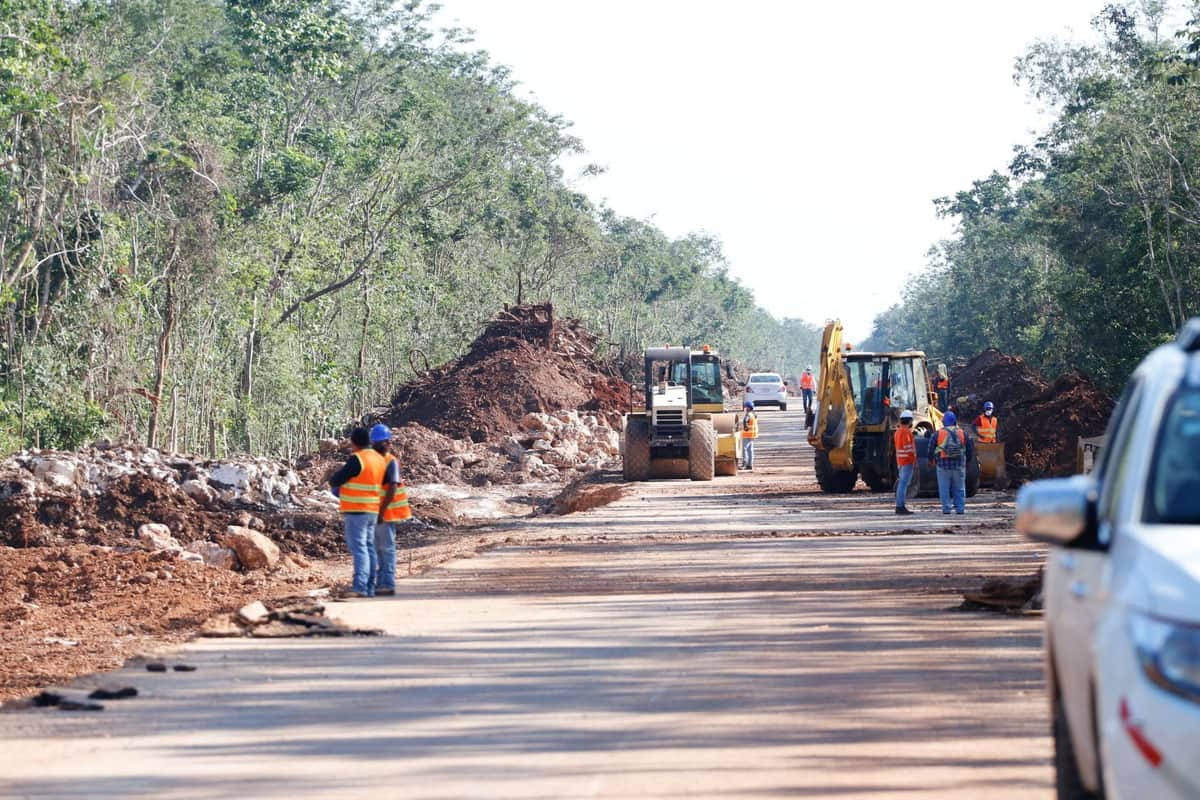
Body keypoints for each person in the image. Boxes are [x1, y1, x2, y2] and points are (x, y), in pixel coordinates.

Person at [327, 427, 387, 597]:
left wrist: (338, 488)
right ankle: (369, 586)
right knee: (369, 548)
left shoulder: (358, 459)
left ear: (354, 443)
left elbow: (336, 479)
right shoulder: (379, 459)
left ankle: (360, 587)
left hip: (357, 511)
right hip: (373, 510)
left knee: (359, 548)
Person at [369, 423, 412, 596]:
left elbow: (392, 487)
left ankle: (386, 583)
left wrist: (380, 511)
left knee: (385, 549)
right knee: (379, 549)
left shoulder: (389, 462)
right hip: (375, 512)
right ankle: (380, 582)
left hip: (385, 513)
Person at [931, 411, 967, 515]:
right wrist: (967, 461)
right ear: (955, 421)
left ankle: (946, 509)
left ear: (943, 422)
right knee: (960, 488)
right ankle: (960, 509)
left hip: (943, 465)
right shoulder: (962, 433)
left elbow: (931, 448)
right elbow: (969, 448)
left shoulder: (938, 434)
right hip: (959, 465)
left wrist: (930, 460)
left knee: (944, 489)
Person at [894, 409, 916, 515]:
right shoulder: (907, 432)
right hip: (907, 460)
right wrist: (914, 458)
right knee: (903, 484)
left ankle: (900, 505)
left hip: (900, 460)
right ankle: (900, 506)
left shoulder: (897, 431)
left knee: (902, 483)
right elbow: (909, 447)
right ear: (909, 421)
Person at [741, 400, 758, 470]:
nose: (745, 408)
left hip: (747, 435)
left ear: (748, 408)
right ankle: (750, 464)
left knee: (744, 449)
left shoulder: (748, 415)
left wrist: (745, 427)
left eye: (746, 407)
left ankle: (744, 464)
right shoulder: (754, 415)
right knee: (750, 450)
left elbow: (745, 420)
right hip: (753, 435)